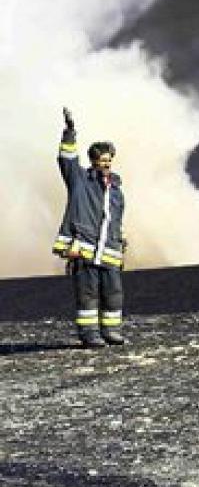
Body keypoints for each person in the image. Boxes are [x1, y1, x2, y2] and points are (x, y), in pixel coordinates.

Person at [52, 108, 128, 347]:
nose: (106, 163)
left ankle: (111, 331)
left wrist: (121, 238)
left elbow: (116, 217)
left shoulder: (115, 188)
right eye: (102, 159)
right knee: (88, 293)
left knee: (113, 293)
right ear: (94, 160)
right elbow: (67, 160)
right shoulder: (80, 180)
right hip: (84, 249)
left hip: (110, 251)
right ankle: (89, 334)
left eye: (109, 159)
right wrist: (70, 133)